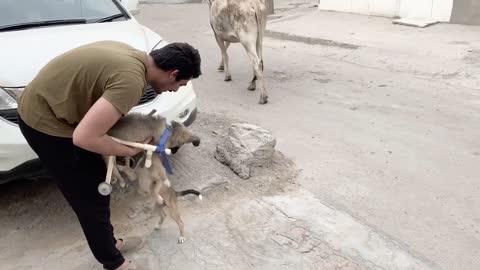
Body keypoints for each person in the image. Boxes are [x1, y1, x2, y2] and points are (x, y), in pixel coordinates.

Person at [16, 40, 202, 270]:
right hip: (45, 124)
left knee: (96, 181)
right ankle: (114, 263)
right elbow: (84, 138)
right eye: (180, 84)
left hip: (46, 106)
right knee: (90, 194)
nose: (175, 90)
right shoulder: (131, 82)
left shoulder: (133, 56)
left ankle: (109, 244)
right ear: (172, 73)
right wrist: (131, 150)